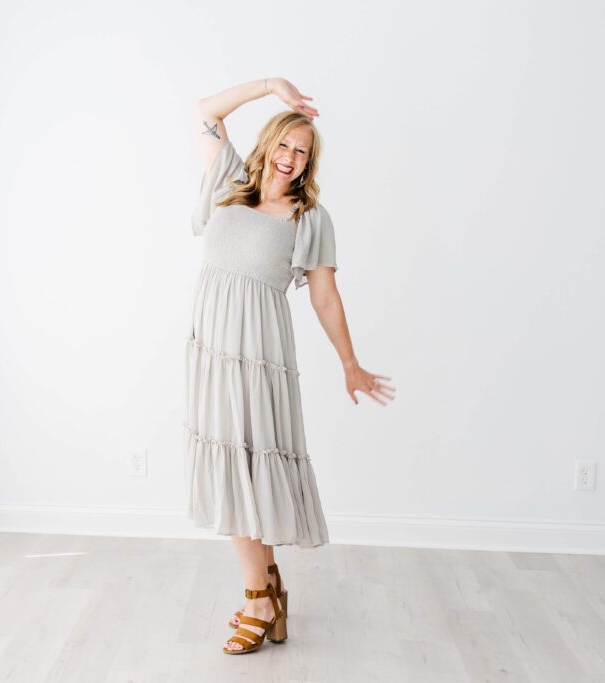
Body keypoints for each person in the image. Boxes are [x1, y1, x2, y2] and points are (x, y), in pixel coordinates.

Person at [185, 77, 396, 654]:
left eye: (302, 152)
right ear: (268, 143)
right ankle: (269, 591)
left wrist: (350, 364)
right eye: (284, 143)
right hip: (212, 353)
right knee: (233, 465)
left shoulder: (309, 218)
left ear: (309, 164)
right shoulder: (228, 181)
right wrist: (269, 86)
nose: (290, 157)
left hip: (260, 358)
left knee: (247, 469)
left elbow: (326, 298)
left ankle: (258, 598)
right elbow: (204, 111)